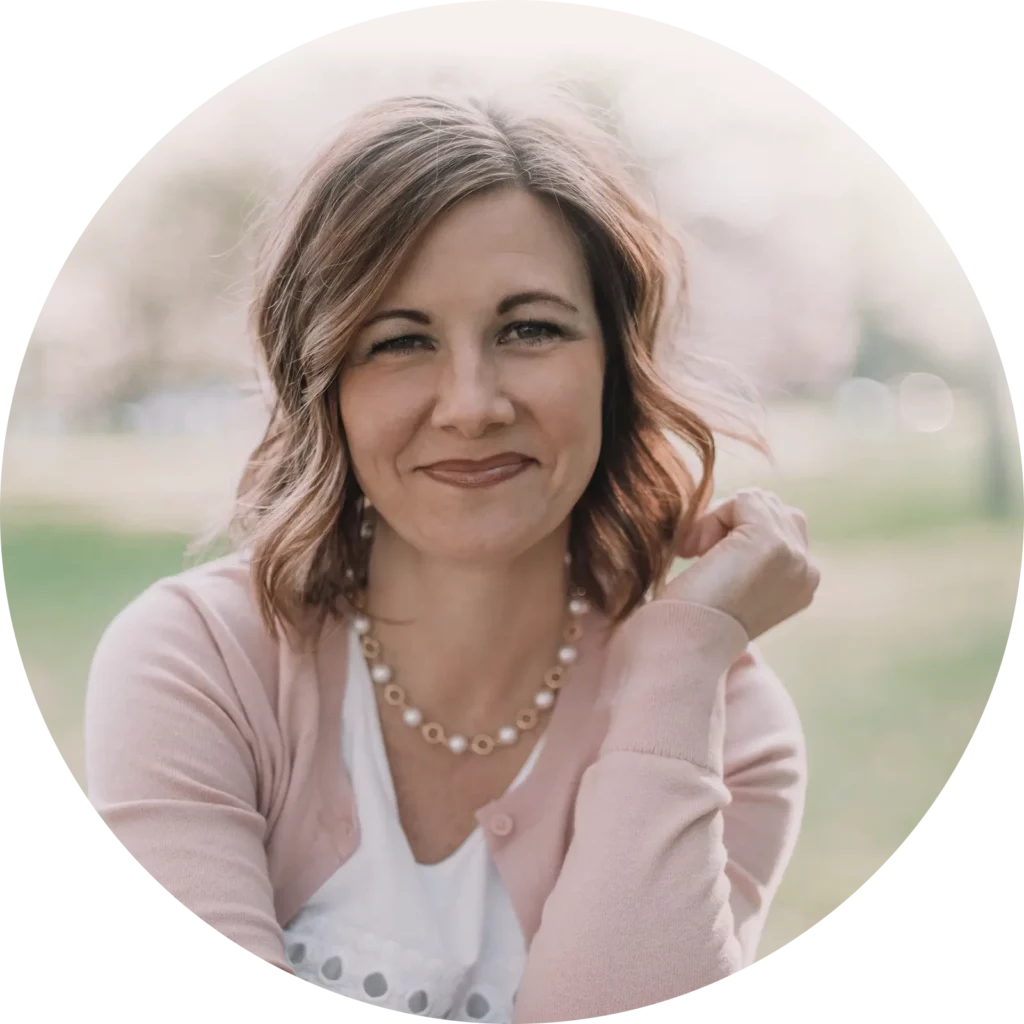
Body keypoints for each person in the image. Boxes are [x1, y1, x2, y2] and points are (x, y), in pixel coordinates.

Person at [84, 86, 818, 1023]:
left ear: (616, 367)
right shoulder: (201, 663)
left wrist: (680, 660)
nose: (471, 404)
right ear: (327, 387)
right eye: (400, 341)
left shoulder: (728, 725)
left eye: (530, 329)